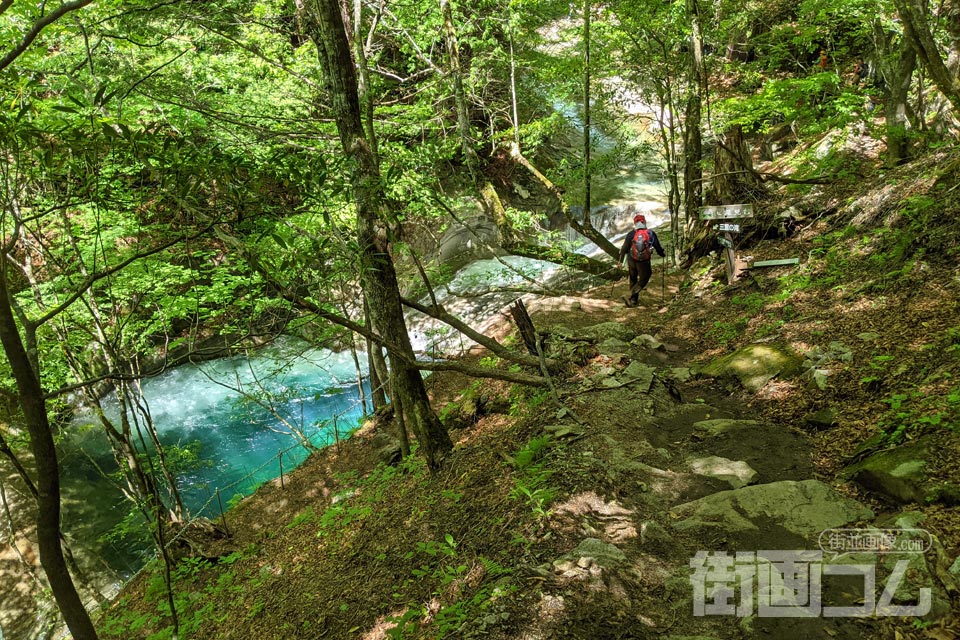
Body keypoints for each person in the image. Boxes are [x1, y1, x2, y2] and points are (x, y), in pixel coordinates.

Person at [617, 214, 665, 308]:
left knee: (633, 278)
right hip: (643, 262)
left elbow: (624, 249)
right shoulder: (650, 233)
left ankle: (634, 300)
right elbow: (657, 247)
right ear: (644, 222)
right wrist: (662, 254)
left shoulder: (631, 234)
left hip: (631, 259)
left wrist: (620, 260)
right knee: (645, 277)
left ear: (635, 223)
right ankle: (631, 295)